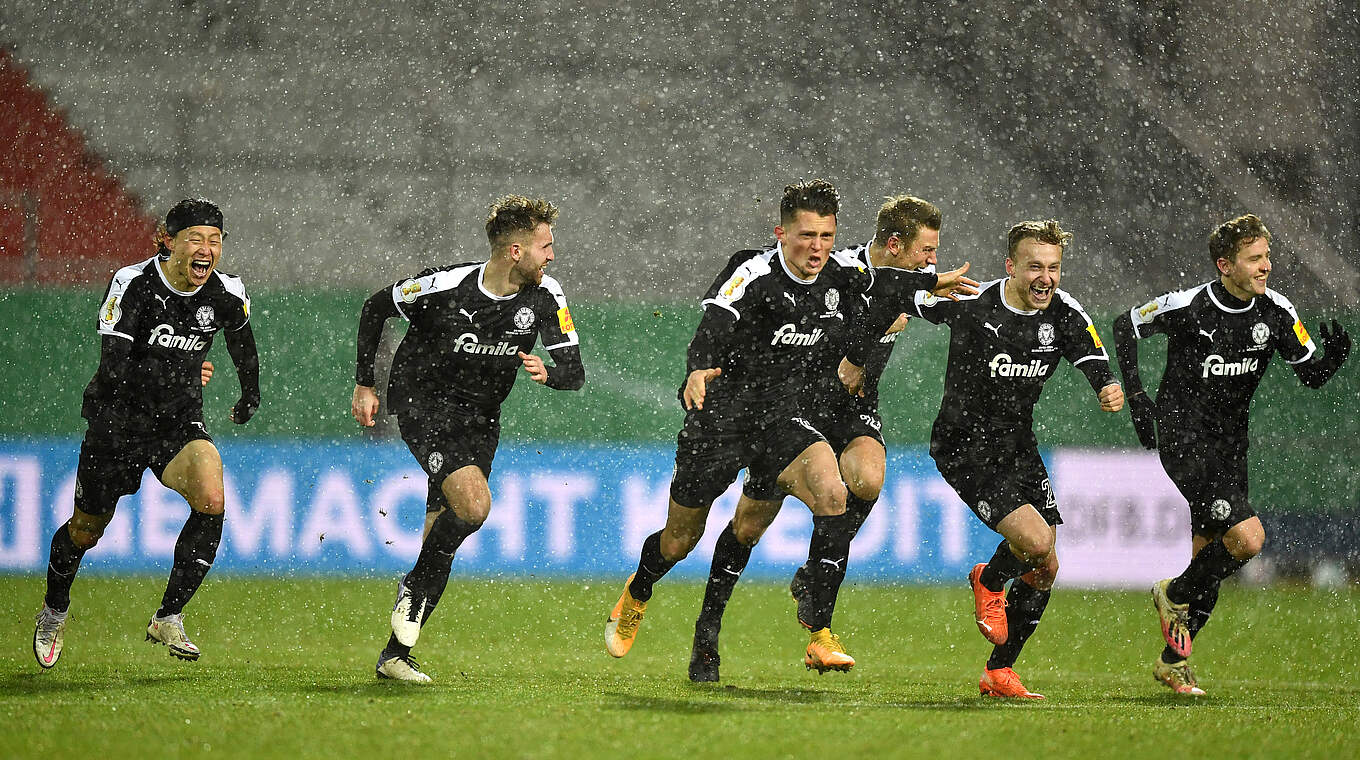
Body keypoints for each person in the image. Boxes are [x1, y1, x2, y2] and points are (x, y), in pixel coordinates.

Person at [605, 181, 972, 676]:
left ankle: (817, 627)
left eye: (826, 235)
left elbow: (884, 285)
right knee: (678, 540)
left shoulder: (842, 273)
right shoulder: (752, 272)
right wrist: (698, 368)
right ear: (781, 232)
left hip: (784, 419)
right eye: (806, 235)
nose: (817, 247)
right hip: (722, 420)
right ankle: (641, 587)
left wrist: (931, 285)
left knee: (834, 494)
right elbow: (715, 320)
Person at [853, 219, 1123, 699]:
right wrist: (883, 322)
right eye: (1035, 267)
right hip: (963, 446)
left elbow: (1089, 348)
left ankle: (999, 671)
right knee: (1037, 542)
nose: (1046, 278)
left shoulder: (1063, 311)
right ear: (1010, 267)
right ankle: (990, 578)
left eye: (1054, 268)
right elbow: (896, 293)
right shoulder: (973, 302)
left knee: (1045, 567)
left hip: (1018, 444)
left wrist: (1105, 383)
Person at [1111, 213, 1349, 696]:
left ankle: (1172, 663)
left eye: (1267, 256)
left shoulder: (1277, 311)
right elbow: (1124, 325)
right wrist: (1136, 396)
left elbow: (1310, 374)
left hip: (1230, 446)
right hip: (1184, 439)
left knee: (1208, 560)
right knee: (1247, 539)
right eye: (1255, 259)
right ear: (1225, 265)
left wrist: (1334, 359)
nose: (1267, 266)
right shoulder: (1189, 306)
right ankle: (1170, 592)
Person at [352, 195, 584, 684]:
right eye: (546, 246)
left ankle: (396, 655)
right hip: (422, 404)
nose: (552, 256)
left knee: (442, 533)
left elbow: (574, 372)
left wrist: (551, 373)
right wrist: (365, 382)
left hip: (481, 419)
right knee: (474, 507)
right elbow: (377, 307)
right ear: (515, 251)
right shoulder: (445, 286)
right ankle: (412, 588)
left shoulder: (546, 296)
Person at [32, 198, 261, 669]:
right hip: (117, 421)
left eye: (215, 241)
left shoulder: (227, 292)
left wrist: (250, 394)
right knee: (86, 531)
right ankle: (55, 608)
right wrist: (181, 371)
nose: (206, 249)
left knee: (212, 497)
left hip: (176, 423)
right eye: (195, 239)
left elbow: (241, 338)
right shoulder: (132, 283)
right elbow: (115, 368)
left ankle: (169, 616)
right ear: (168, 241)